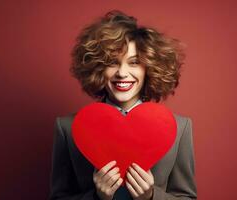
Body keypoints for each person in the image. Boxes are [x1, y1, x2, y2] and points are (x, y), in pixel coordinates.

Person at [49, 10, 197, 200]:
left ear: (149, 67)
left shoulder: (180, 128)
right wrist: (96, 197)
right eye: (112, 62)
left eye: (134, 62)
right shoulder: (67, 128)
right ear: (98, 67)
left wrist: (151, 196)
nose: (122, 73)